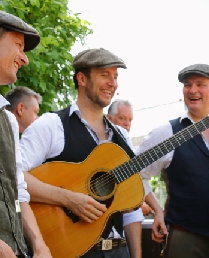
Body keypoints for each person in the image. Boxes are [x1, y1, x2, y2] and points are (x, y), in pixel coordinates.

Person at [20, 48, 144, 258]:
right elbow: (12, 177)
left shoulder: (121, 135)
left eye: (115, 77)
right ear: (81, 78)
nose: (113, 83)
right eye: (105, 75)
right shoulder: (52, 125)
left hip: (119, 250)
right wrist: (68, 199)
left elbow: (129, 203)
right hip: (69, 250)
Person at [136, 64, 209, 258]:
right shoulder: (165, 133)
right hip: (185, 237)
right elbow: (136, 174)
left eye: (200, 84)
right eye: (187, 85)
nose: (193, 90)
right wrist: (157, 210)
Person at [0, 10, 51, 258]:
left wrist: (39, 245)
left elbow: (18, 191)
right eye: (18, 46)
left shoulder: (7, 118)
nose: (25, 59)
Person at [107, 99, 153, 217]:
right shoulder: (102, 144)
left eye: (130, 120)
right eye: (122, 118)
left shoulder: (127, 142)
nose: (127, 123)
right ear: (109, 119)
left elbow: (131, 178)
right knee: (135, 213)